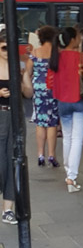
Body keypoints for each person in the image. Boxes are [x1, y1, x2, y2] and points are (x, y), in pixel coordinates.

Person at [47, 27, 83, 192]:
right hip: (80, 101)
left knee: (68, 137)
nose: (79, 39)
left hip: (62, 101)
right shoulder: (82, 57)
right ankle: (71, 177)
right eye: (78, 37)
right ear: (72, 40)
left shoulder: (56, 58)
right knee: (77, 139)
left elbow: (49, 83)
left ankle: (67, 170)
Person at [0, 29, 33, 224]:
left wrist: (23, 79)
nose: (6, 51)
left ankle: (8, 208)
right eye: (3, 47)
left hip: (16, 116)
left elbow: (28, 93)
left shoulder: (18, 65)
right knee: (1, 161)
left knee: (15, 160)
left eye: (10, 47)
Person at [26, 25, 60, 167]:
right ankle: (51, 155)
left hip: (39, 89)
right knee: (52, 123)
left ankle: (40, 155)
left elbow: (27, 72)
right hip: (53, 88)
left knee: (40, 123)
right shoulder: (57, 53)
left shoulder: (35, 52)